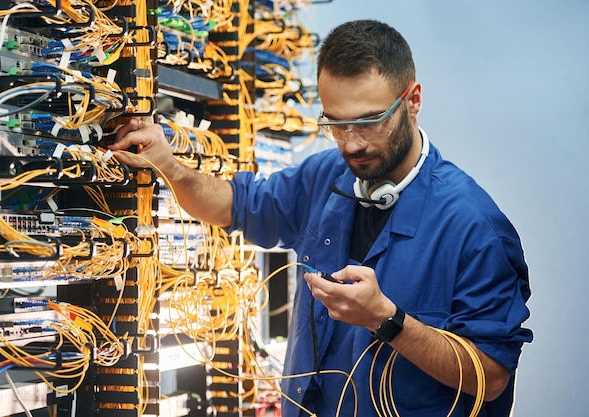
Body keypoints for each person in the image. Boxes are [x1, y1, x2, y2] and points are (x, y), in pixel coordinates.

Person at [110, 19, 532, 417]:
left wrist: (386, 320)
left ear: (413, 100)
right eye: (336, 123)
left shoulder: (475, 227)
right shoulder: (325, 176)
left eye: (369, 121)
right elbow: (230, 204)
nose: (352, 144)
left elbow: (490, 377)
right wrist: (168, 164)